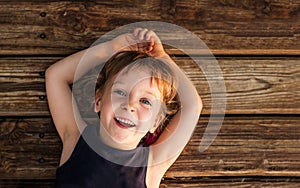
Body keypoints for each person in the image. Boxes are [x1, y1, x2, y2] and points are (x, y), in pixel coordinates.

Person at [46, 28, 202, 188]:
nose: (130, 105)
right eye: (120, 92)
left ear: (156, 121)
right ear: (98, 100)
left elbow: (193, 105)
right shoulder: (75, 138)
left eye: (145, 101)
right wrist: (110, 49)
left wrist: (162, 58)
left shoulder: (152, 164)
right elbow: (55, 76)